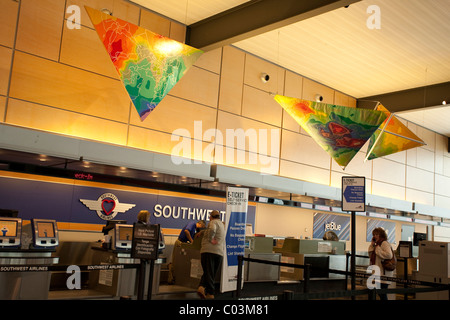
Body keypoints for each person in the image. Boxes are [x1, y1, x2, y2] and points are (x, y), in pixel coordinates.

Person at [197, 210, 225, 299]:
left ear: (211, 216)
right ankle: (201, 287)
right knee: (211, 273)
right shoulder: (222, 225)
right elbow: (210, 230)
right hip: (219, 253)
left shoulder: (212, 222)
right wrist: (202, 232)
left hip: (208, 251)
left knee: (208, 272)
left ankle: (210, 293)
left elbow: (212, 229)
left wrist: (210, 239)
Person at [368, 227, 394, 300]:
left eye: (377, 234)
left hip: (384, 273)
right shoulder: (377, 245)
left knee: (382, 293)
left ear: (381, 235)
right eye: (374, 234)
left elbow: (389, 255)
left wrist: (378, 250)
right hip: (377, 272)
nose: (375, 236)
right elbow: (370, 255)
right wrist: (372, 245)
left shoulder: (384, 243)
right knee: (380, 293)